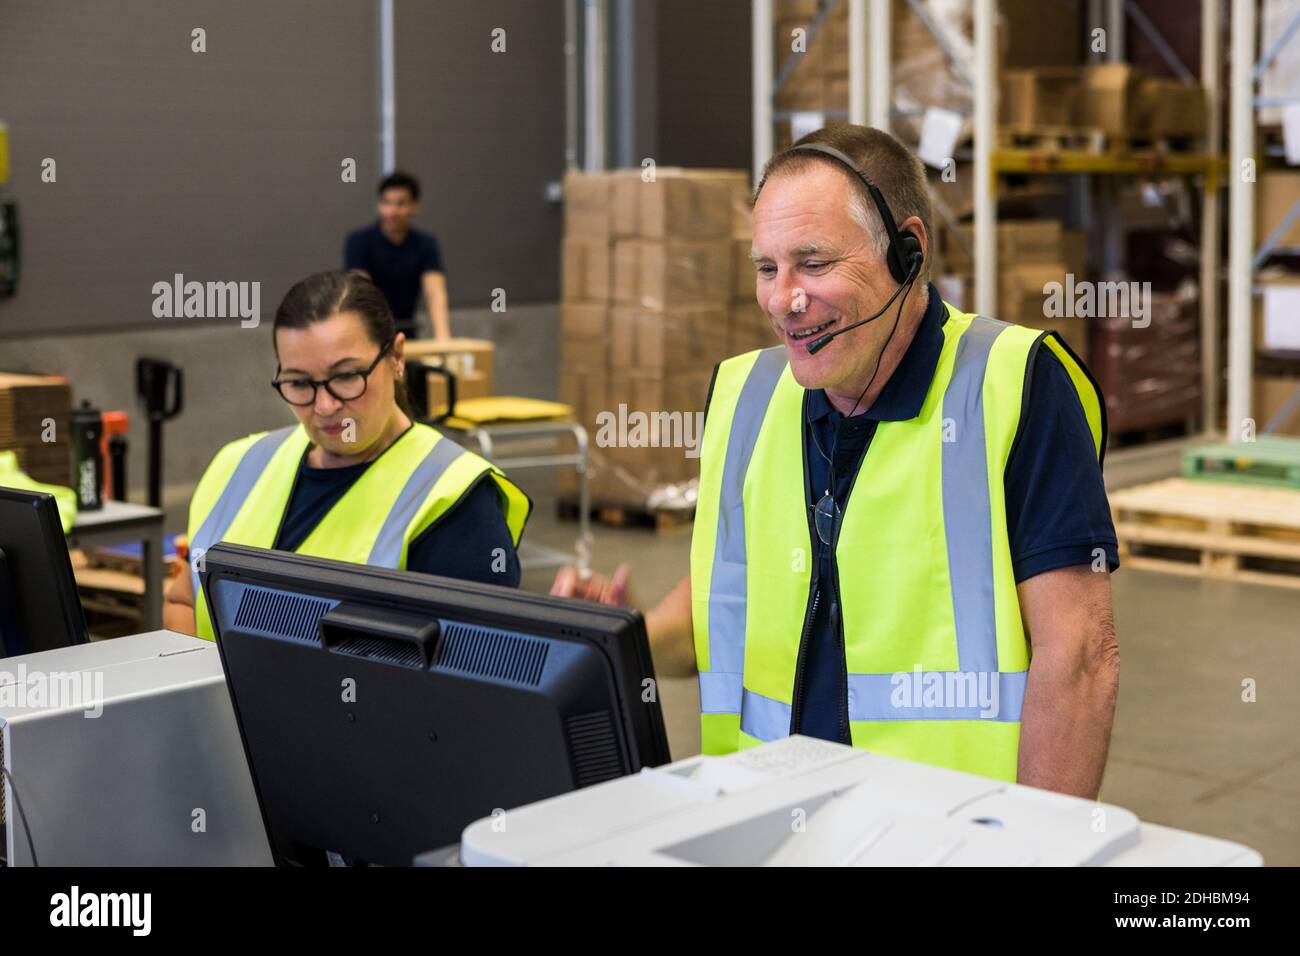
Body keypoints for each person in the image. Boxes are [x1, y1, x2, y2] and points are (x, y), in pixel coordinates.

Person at [554, 124, 1120, 798]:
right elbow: (723, 618)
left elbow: (1080, 656)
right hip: (767, 821)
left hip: (945, 836)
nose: (782, 300)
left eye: (813, 263)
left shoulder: (1012, 385)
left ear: (908, 251)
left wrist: (1037, 848)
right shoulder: (749, 398)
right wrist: (620, 633)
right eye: (767, 267)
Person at [165, 269, 530, 639]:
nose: (324, 406)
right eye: (300, 383)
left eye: (346, 376)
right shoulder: (238, 465)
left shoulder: (454, 499)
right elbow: (183, 600)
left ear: (398, 357)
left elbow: (470, 673)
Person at [344, 171, 450, 340]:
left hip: (408, 330)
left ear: (414, 207)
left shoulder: (425, 243)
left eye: (401, 204)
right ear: (379, 205)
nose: (392, 211)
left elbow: (435, 292)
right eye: (386, 203)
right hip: (372, 331)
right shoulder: (359, 241)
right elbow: (361, 292)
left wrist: (443, 337)